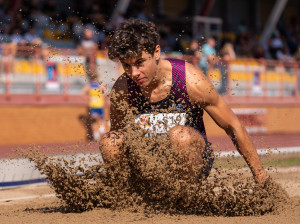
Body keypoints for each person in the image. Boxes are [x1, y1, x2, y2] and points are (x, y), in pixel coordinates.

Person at [100, 19, 269, 183]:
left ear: (156, 52)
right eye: (126, 66)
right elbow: (118, 137)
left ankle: (185, 197)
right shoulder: (123, 88)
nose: (134, 72)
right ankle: (125, 196)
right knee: (109, 141)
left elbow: (233, 126)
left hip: (191, 157)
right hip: (149, 162)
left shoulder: (189, 79)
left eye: (139, 63)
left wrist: (260, 174)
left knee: (180, 136)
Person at [81, 74, 107, 141]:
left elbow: (82, 93)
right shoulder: (99, 84)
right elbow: (106, 92)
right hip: (98, 105)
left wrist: (88, 98)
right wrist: (103, 96)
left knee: (95, 120)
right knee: (100, 119)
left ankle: (97, 133)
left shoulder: (90, 85)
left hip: (94, 105)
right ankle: (100, 132)